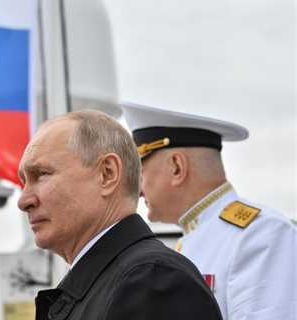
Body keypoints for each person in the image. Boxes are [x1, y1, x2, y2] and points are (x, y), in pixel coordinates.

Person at [17, 110, 223, 320]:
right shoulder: (123, 281)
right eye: (24, 182)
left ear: (107, 174)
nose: (23, 201)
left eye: (42, 174)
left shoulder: (150, 282)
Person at [122, 103, 297, 320]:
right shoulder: (195, 237)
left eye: (141, 171)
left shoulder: (262, 234)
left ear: (177, 167)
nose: (138, 190)